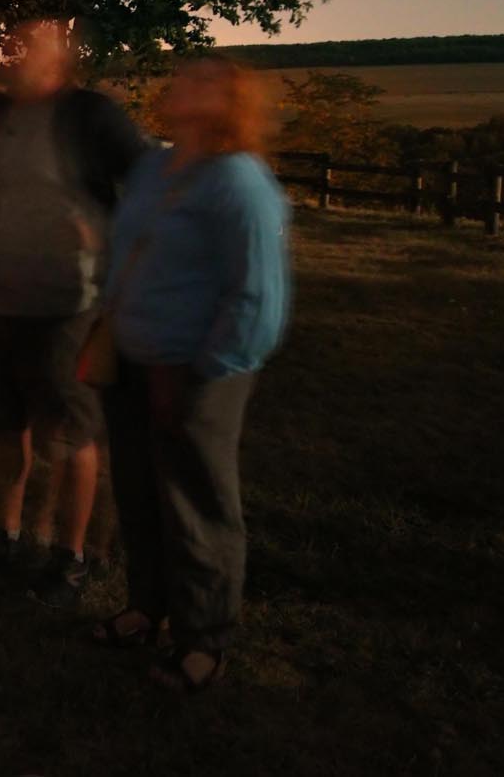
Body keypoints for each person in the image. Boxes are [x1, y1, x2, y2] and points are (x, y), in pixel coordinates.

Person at [99, 56, 290, 693]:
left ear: (228, 102)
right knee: (139, 491)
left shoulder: (240, 181)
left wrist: (210, 374)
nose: (177, 83)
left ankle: (204, 639)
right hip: (132, 360)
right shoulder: (156, 164)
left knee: (197, 503)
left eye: (198, 80)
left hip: (197, 370)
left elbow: (258, 296)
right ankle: (146, 607)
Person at [0, 17, 150, 608]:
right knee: (4, 429)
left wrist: (104, 235)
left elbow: (150, 188)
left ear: (63, 56)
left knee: (69, 434)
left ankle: (69, 558)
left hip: (67, 304)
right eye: (15, 44)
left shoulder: (92, 116)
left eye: (35, 44)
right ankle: (6, 536)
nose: (19, 52)